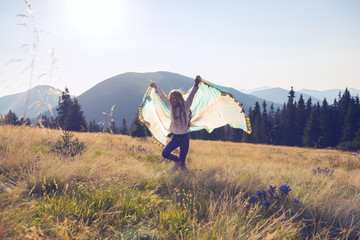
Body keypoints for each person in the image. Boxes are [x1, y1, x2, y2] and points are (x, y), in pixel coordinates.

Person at [150, 75, 201, 171]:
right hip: (175, 138)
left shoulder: (185, 106)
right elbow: (163, 97)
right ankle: (177, 161)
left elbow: (191, 95)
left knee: (183, 166)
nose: (173, 100)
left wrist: (196, 84)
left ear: (179, 98)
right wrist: (156, 87)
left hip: (184, 138)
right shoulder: (170, 106)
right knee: (165, 153)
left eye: (175, 98)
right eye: (172, 98)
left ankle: (182, 167)